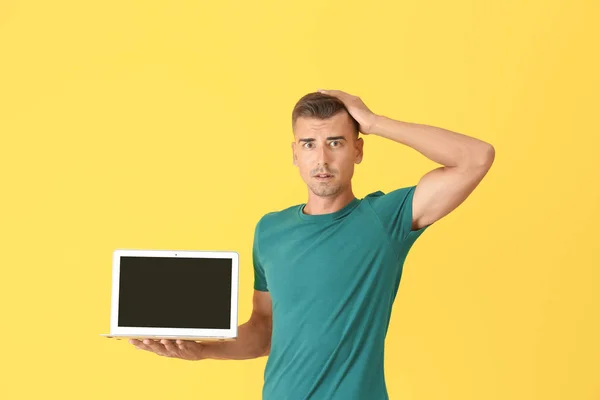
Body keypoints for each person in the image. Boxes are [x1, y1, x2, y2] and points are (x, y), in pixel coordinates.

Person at [130, 89, 495, 399]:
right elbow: (263, 333)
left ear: (358, 149)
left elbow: (476, 157)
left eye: (335, 142)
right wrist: (202, 350)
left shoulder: (385, 219)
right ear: (295, 153)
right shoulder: (270, 230)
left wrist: (373, 120)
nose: (321, 159)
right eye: (309, 144)